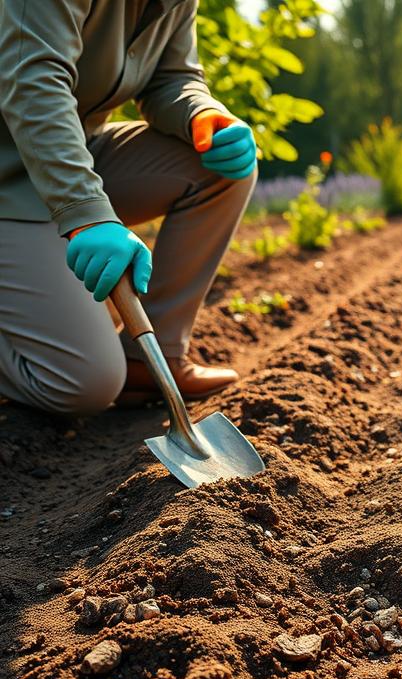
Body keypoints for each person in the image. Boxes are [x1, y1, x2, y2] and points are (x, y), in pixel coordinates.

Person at [0, 0, 258, 415]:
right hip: (9, 175)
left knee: (218, 166)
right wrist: (85, 211)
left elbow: (172, 77)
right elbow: (33, 81)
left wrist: (201, 112)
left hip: (65, 157)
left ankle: (152, 362)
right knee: (81, 382)